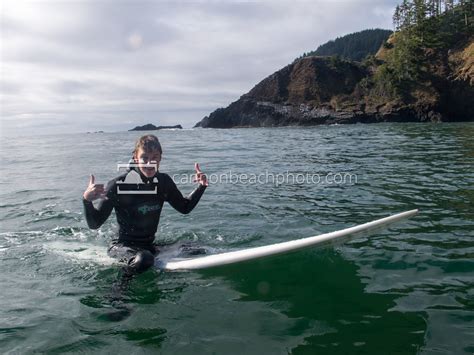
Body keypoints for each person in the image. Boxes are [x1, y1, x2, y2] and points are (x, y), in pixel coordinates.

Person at [82, 134, 208, 275]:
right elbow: (94, 223)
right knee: (144, 259)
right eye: (145, 158)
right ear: (136, 158)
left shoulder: (163, 182)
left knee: (194, 247)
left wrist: (201, 187)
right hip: (122, 246)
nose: (150, 163)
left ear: (160, 158)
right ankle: (120, 289)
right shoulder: (118, 185)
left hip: (148, 246)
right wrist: (87, 200)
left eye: (155, 157)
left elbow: (185, 207)